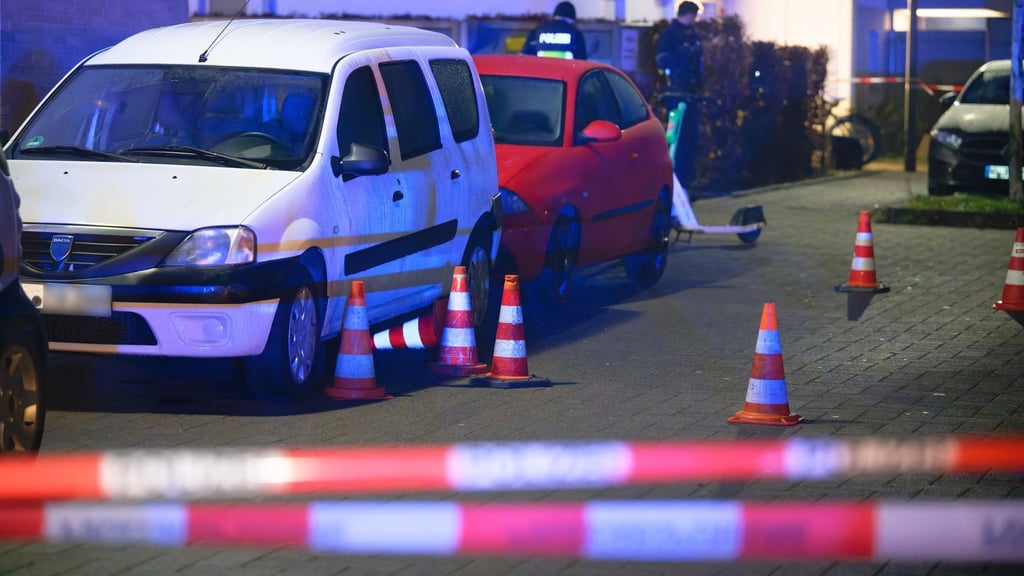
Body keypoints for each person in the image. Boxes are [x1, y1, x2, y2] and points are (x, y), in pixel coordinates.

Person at [655, 1, 703, 190]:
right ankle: (673, 182)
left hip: (690, 95)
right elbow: (661, 60)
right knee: (676, 139)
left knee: (690, 140)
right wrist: (680, 63)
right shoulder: (670, 35)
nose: (696, 20)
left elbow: (698, 63)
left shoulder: (693, 36)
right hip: (675, 96)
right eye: (695, 15)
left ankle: (684, 183)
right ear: (688, 14)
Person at [521, 2, 588, 60]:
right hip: (565, 73)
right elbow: (582, 60)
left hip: (540, 73)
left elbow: (523, 57)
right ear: (572, 19)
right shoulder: (575, 32)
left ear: (555, 15)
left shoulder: (537, 31)